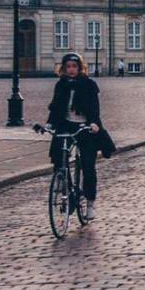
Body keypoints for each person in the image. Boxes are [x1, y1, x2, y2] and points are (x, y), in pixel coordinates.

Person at [37, 53, 114, 221]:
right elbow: (56, 107)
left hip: (85, 126)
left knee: (88, 165)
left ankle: (90, 202)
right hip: (66, 124)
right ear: (64, 69)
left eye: (74, 66)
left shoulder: (89, 84)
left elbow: (94, 107)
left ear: (80, 68)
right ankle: (61, 178)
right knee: (58, 151)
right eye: (68, 67)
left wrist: (94, 123)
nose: (71, 70)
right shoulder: (61, 85)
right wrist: (50, 124)